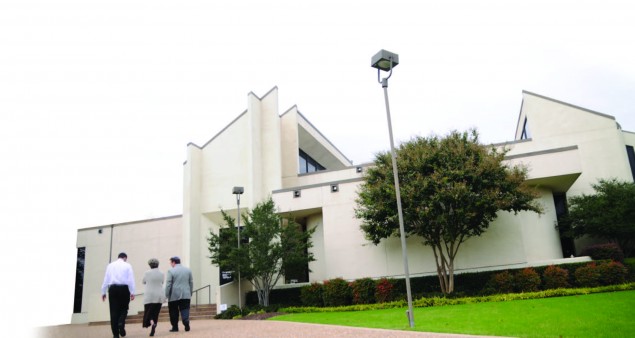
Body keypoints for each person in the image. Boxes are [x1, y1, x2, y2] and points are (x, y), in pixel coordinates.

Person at [101, 252, 136, 338]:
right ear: (125, 258)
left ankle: (115, 334)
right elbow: (131, 280)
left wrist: (103, 292)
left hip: (113, 289)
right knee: (124, 308)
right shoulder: (128, 265)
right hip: (124, 289)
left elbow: (106, 278)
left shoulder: (110, 266)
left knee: (113, 312)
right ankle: (121, 322)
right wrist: (132, 292)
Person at [165, 256, 193, 332]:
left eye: (171, 262)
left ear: (173, 262)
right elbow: (191, 282)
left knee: (173, 311)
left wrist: (166, 294)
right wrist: (190, 292)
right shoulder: (188, 270)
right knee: (185, 309)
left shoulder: (171, 271)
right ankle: (185, 321)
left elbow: (168, 284)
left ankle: (175, 327)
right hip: (186, 294)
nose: (170, 264)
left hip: (174, 295)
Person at [142, 258, 165, 337]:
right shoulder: (162, 273)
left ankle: (152, 322)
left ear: (150, 265)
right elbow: (162, 282)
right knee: (156, 313)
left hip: (149, 296)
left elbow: (143, 281)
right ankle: (153, 329)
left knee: (148, 312)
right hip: (159, 295)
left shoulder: (147, 273)